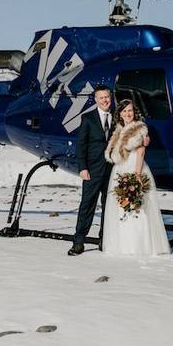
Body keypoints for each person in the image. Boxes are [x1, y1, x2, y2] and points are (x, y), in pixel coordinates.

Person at [101, 99, 170, 257]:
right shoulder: (118, 131)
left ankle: (139, 245)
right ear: (120, 114)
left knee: (137, 206)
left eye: (130, 111)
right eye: (124, 111)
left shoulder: (140, 128)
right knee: (121, 207)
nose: (127, 114)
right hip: (119, 169)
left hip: (134, 167)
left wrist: (137, 174)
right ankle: (122, 245)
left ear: (135, 112)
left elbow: (140, 152)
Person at [68, 85, 114, 256]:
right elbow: (81, 145)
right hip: (92, 169)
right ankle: (78, 242)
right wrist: (83, 167)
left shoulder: (116, 118)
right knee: (87, 205)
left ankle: (104, 239)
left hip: (112, 170)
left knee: (109, 207)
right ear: (95, 100)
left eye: (107, 97)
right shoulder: (88, 118)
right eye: (101, 98)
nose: (105, 100)